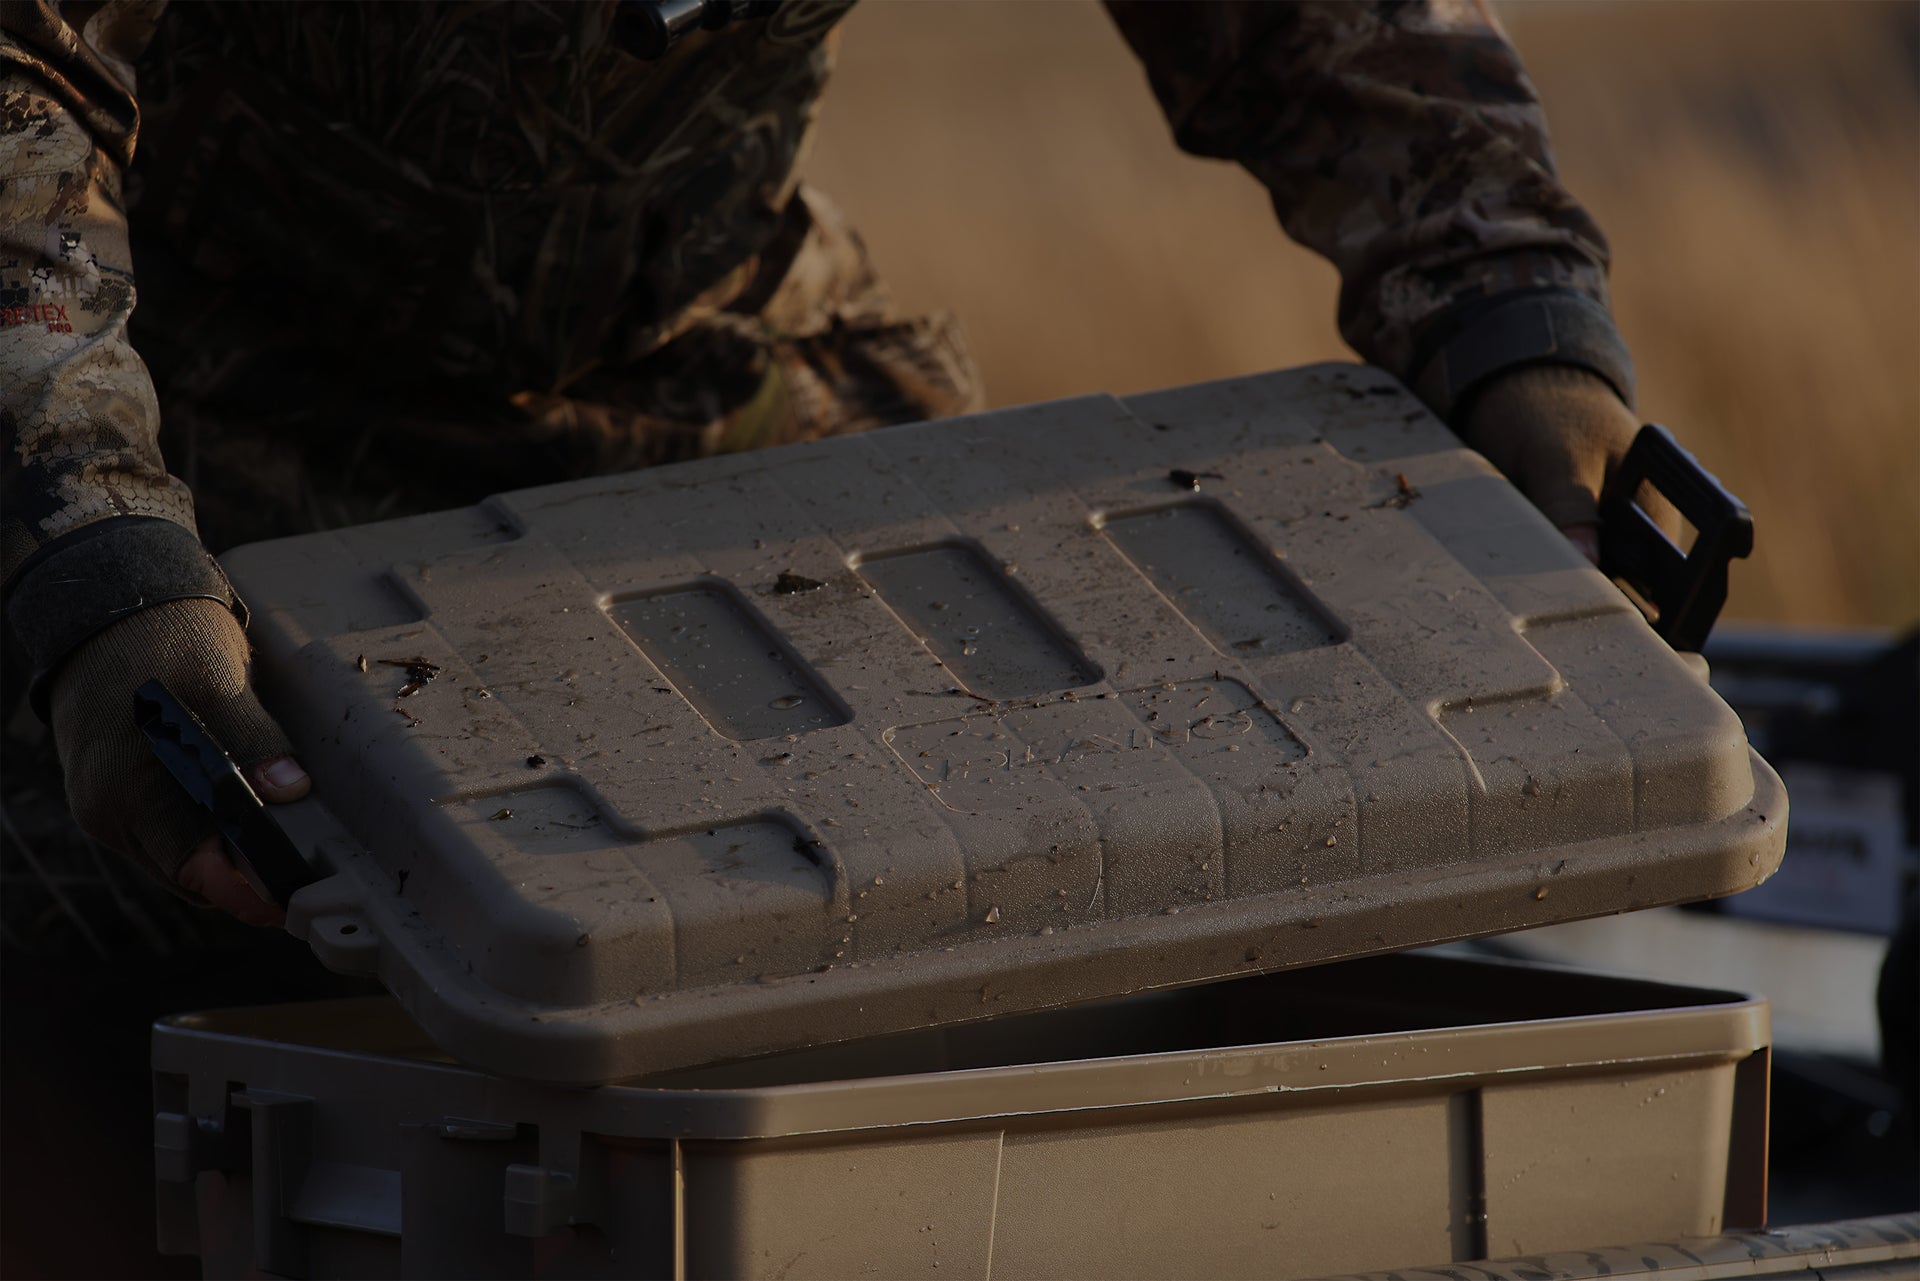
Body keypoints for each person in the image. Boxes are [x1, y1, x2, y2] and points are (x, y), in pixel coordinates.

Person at [3, 0, 1649, 926]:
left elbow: (1321, 36)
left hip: (707, 383)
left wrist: (1520, 327)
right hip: (173, 436)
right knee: (142, 950)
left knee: (1046, 860)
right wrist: (95, 570)